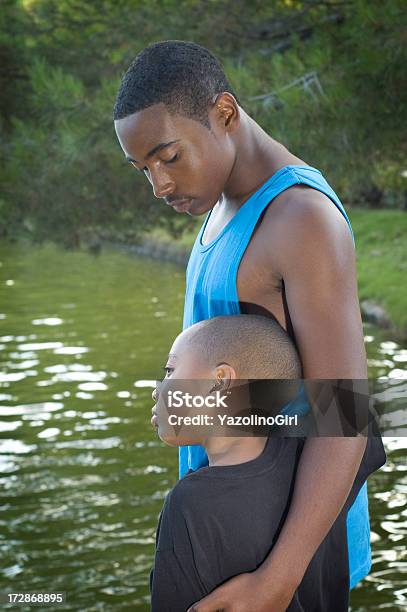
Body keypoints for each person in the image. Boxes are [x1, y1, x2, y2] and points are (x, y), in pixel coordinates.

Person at [114, 40, 384, 611]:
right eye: (143, 169)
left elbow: (346, 412)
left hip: (286, 549)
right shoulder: (220, 200)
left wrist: (277, 581)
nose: (158, 186)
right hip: (233, 519)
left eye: (168, 157)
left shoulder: (300, 219)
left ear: (226, 114)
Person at [149, 315, 386, 612]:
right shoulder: (321, 474)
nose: (158, 389)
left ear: (220, 381)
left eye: (170, 370)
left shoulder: (189, 504)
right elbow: (358, 413)